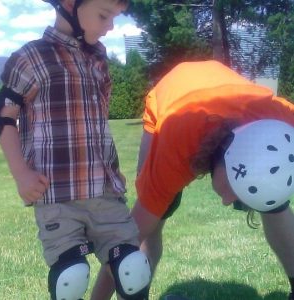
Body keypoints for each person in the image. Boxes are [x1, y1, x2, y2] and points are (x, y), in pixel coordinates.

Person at [0, 0, 152, 299]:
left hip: (104, 192)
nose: (111, 26)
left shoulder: (99, 57)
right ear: (68, 4)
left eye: (114, 18)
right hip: (57, 196)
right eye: (104, 15)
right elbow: (2, 114)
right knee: (70, 277)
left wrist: (111, 168)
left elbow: (96, 120)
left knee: (133, 268)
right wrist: (21, 174)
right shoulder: (32, 57)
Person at [92, 60, 294, 300]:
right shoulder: (175, 143)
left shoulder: (284, 117)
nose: (227, 202)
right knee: (152, 221)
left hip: (228, 99)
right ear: (223, 155)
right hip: (173, 104)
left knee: (275, 207)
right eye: (233, 188)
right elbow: (126, 241)